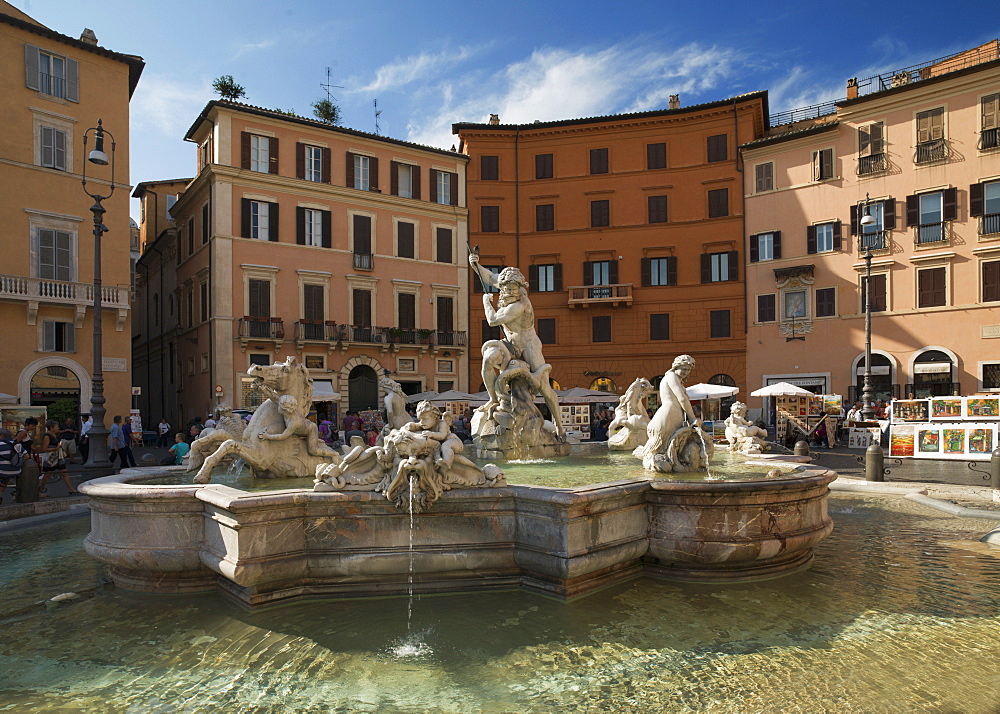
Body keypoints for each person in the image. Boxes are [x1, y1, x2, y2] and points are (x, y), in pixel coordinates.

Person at [469, 252, 565, 437]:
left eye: (515, 289)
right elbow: (489, 277)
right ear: (503, 288)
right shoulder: (505, 287)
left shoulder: (520, 305)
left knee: (544, 387)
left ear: (521, 288)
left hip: (529, 344)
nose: (513, 292)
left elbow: (493, 320)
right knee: (489, 359)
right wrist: (476, 265)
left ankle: (559, 425)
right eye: (509, 289)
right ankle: (492, 398)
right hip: (509, 344)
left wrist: (485, 302)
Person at [39, 420, 77, 495]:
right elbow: (44, 449)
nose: (58, 428)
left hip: (58, 456)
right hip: (51, 457)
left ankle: (70, 488)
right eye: (56, 426)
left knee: (64, 472)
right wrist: (56, 448)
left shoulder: (55, 435)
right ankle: (40, 490)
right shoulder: (47, 436)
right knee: (47, 474)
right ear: (51, 427)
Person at [0, 428, 23, 503]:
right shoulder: (17, 444)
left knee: (3, 476)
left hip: (3, 471)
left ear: (1, 436)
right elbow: (26, 456)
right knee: (4, 479)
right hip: (16, 470)